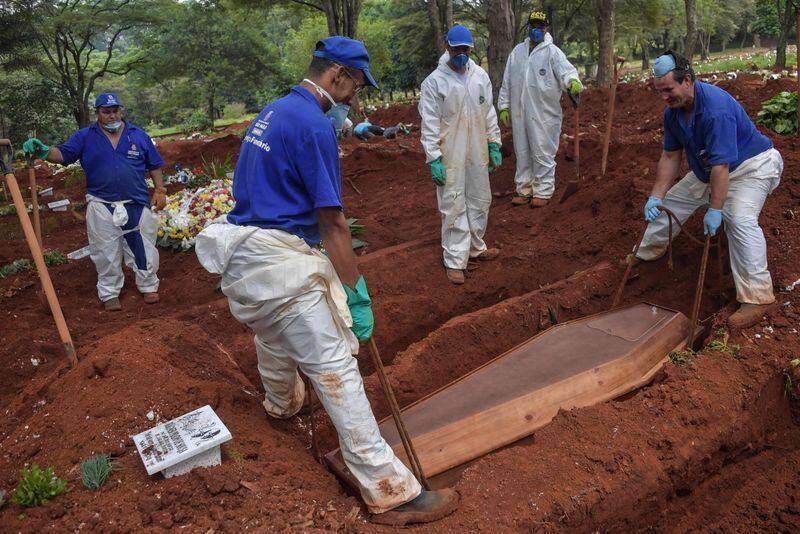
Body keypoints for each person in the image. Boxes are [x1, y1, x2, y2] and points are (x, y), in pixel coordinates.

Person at [194, 37, 458, 525]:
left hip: (249, 256)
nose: (355, 98)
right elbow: (333, 223)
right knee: (336, 367)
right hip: (279, 259)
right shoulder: (314, 125)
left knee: (273, 336)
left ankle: (281, 407)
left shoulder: (272, 112)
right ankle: (389, 490)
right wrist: (356, 293)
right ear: (337, 76)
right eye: (355, 86)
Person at [630, 51, 783, 329]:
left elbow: (721, 168)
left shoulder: (716, 110)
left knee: (738, 217)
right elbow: (670, 156)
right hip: (709, 169)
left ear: (687, 80)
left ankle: (758, 298)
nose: (664, 97)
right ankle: (644, 255)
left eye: (668, 90)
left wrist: (715, 209)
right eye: (659, 91)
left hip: (751, 167)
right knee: (671, 205)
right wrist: (656, 196)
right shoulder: (674, 112)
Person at [22, 93, 166, 311]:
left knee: (142, 247)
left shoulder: (138, 135)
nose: (111, 116)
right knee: (105, 250)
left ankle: (148, 285)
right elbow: (63, 154)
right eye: (106, 112)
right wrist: (44, 150)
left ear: (120, 111)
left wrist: (161, 189)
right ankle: (110, 293)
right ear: (97, 113)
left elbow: (154, 164)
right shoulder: (85, 136)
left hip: (136, 201)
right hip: (102, 203)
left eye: (115, 110)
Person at [418, 24, 503, 285]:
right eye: (457, 49)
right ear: (448, 47)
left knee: (480, 197)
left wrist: (494, 143)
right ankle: (455, 259)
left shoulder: (480, 76)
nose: (462, 54)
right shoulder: (435, 82)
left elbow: (488, 111)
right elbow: (429, 122)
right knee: (453, 202)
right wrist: (433, 158)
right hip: (450, 152)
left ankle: (475, 247)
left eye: (466, 49)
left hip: (477, 146)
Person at [497, 11, 583, 208]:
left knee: (543, 151)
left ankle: (543, 191)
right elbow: (507, 82)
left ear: (546, 28)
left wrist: (573, 82)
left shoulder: (553, 52)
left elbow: (567, 72)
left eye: (540, 25)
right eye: (533, 25)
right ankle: (524, 189)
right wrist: (504, 106)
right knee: (523, 151)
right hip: (520, 113)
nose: (536, 29)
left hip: (544, 113)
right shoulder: (517, 52)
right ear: (528, 27)